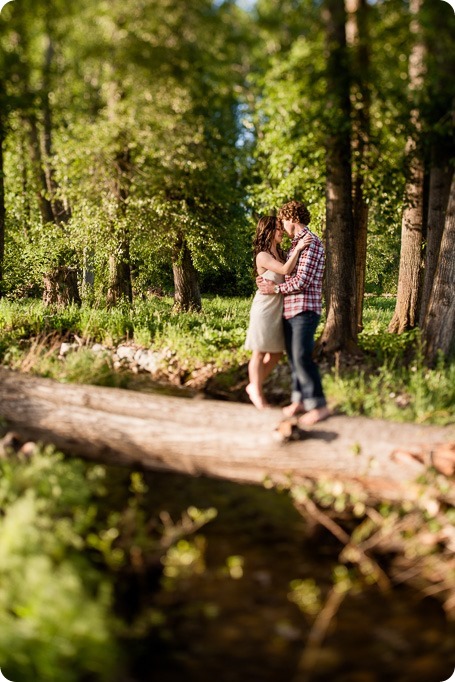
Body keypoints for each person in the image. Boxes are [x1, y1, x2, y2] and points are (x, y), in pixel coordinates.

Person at [257, 200, 330, 425]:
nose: (282, 226)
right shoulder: (296, 244)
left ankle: (318, 405)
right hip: (290, 310)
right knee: (293, 357)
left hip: (305, 309)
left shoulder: (311, 242)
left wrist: (274, 288)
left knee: (301, 356)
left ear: (293, 219)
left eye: (284, 221)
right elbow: (284, 271)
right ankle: (299, 401)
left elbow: (302, 281)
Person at [245, 215, 312, 410]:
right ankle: (257, 392)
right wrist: (299, 248)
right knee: (259, 352)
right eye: (277, 228)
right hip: (265, 308)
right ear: (267, 231)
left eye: (281, 228)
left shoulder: (282, 252)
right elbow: (284, 270)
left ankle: (252, 385)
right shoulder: (263, 255)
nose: (281, 231)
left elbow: (291, 272)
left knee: (275, 354)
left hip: (280, 308)